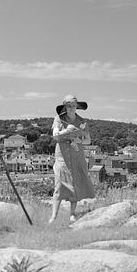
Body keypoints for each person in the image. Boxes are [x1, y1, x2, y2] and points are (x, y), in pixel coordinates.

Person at [48, 94, 95, 224]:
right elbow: (55, 136)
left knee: (75, 185)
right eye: (68, 106)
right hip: (62, 156)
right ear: (65, 107)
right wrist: (68, 131)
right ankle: (53, 217)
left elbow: (88, 140)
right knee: (59, 186)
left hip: (76, 155)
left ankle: (72, 214)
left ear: (77, 107)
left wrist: (78, 138)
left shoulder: (82, 122)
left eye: (73, 106)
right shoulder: (58, 119)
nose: (71, 108)